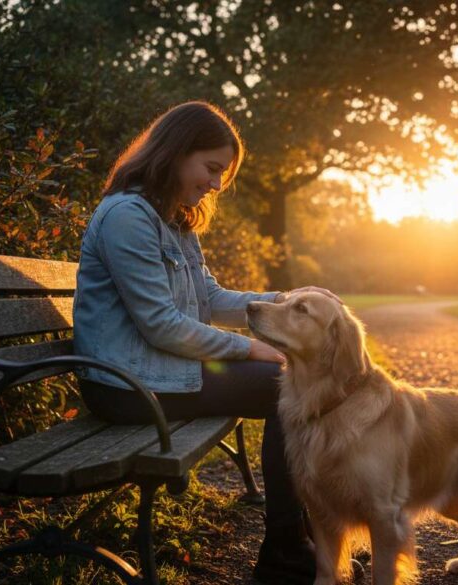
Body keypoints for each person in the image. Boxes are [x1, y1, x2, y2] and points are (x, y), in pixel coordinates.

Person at [72, 101, 338, 585]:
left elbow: (210, 298)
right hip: (123, 385)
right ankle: (287, 551)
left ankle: (302, 544)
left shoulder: (174, 219)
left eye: (223, 174)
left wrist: (283, 299)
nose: (217, 184)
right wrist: (249, 348)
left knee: (292, 387)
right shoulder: (127, 217)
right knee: (285, 386)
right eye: (212, 168)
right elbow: (160, 324)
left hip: (157, 373)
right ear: (175, 152)